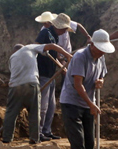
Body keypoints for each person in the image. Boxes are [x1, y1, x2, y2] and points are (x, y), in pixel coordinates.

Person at [59, 29, 115, 149]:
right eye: (100, 49)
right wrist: (91, 104)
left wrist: (101, 81)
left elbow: (102, 75)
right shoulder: (80, 57)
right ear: (92, 44)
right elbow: (78, 85)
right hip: (71, 103)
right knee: (78, 145)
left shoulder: (101, 57)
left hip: (88, 104)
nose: (102, 52)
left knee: (90, 143)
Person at [3, 40, 71, 144]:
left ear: (14, 51)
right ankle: (34, 138)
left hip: (15, 86)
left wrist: (7, 83)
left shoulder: (12, 58)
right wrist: (67, 55)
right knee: (34, 112)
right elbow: (52, 46)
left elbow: (16, 75)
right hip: (31, 84)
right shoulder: (30, 47)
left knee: (11, 113)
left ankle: (7, 139)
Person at [35, 11, 90, 141]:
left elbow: (55, 54)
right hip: (43, 72)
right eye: (64, 29)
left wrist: (61, 64)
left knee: (51, 105)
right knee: (42, 105)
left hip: (51, 73)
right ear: (59, 27)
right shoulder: (45, 33)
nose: (65, 31)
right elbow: (37, 48)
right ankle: (38, 132)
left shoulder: (55, 36)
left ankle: (47, 131)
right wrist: (58, 58)